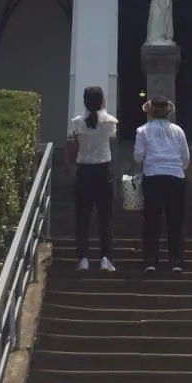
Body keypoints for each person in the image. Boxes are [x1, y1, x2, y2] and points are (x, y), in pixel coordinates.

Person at [133, 96, 190, 273]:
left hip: (153, 176)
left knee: (151, 219)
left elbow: (138, 156)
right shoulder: (178, 131)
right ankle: (175, 260)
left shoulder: (143, 130)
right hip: (175, 176)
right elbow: (186, 157)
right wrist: (177, 168)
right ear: (168, 112)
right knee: (175, 220)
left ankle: (150, 260)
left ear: (150, 111)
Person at [66, 85, 118, 272]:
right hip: (103, 171)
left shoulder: (77, 122)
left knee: (82, 218)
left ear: (84, 102)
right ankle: (106, 258)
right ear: (103, 101)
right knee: (105, 217)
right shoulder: (110, 122)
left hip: (84, 171)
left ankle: (83, 258)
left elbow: (74, 146)